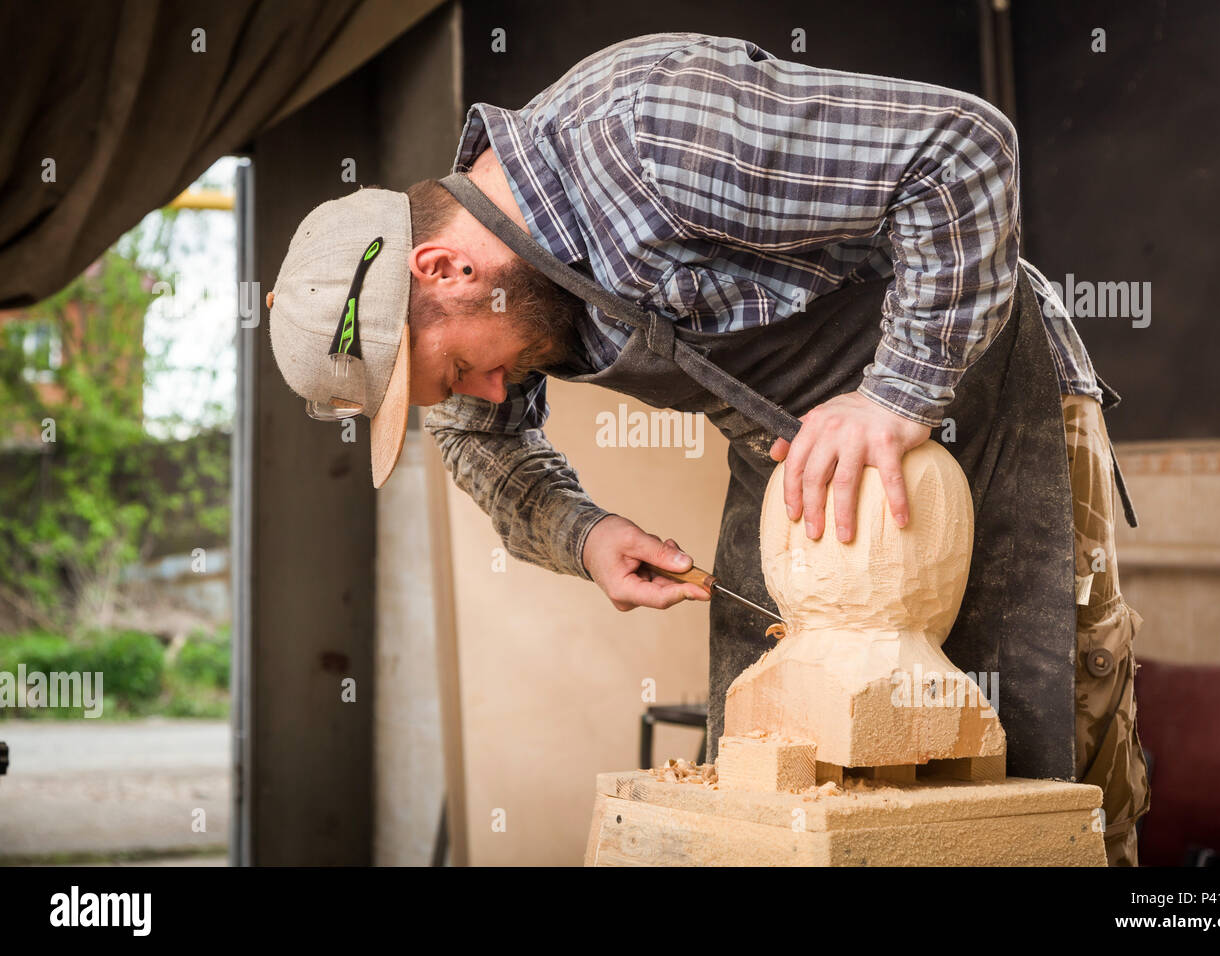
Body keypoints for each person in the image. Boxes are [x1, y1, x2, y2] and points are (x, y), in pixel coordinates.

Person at [266, 33, 1149, 864]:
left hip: (981, 401)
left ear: (443, 270)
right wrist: (583, 534)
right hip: (796, 472)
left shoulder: (648, 135)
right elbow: (484, 448)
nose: (489, 394)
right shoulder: (501, 289)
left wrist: (896, 395)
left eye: (459, 368)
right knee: (774, 771)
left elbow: (963, 150)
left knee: (1039, 754)